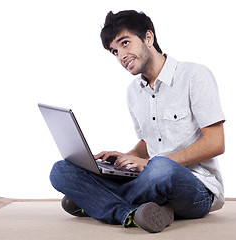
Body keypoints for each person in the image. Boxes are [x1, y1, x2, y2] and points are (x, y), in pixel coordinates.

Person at [50, 10, 226, 233]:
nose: (121, 55)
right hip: (148, 179)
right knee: (61, 170)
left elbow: (215, 143)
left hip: (196, 187)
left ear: (148, 38)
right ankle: (131, 212)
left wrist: (152, 163)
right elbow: (147, 142)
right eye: (114, 51)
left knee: (161, 168)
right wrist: (129, 156)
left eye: (125, 43)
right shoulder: (133, 92)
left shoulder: (194, 75)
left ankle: (97, 203)